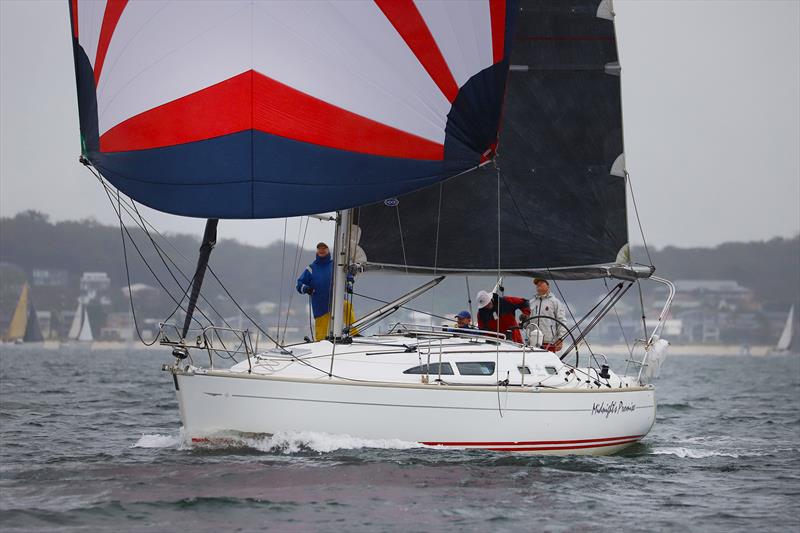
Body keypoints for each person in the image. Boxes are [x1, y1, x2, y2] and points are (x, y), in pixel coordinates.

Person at [296, 242, 356, 341]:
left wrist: (349, 284)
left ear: (328, 250)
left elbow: (348, 275)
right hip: (321, 306)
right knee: (321, 336)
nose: (322, 250)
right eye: (319, 248)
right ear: (317, 251)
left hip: (338, 301)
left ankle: (354, 334)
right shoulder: (311, 268)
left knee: (347, 307)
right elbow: (299, 284)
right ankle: (320, 345)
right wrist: (306, 289)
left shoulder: (336, 265)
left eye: (324, 248)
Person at [531, 278, 567, 352]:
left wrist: (560, 338)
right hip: (532, 341)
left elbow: (562, 321)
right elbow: (528, 322)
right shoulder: (532, 302)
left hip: (549, 341)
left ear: (548, 286)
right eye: (537, 283)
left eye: (541, 282)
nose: (538, 284)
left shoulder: (555, 302)